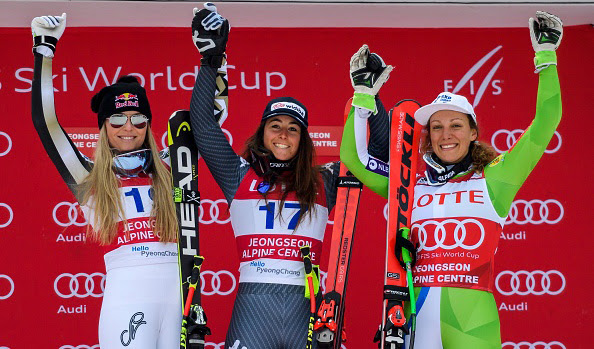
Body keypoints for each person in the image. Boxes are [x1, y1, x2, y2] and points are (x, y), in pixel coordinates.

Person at [340, 11, 563, 349]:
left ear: (473, 131)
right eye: (437, 126)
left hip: (473, 319)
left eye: (456, 125)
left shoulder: (496, 177)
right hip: (418, 311)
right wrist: (362, 96)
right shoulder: (410, 186)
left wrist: (546, 55)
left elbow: (546, 121)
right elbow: (353, 160)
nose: (446, 134)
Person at [187, 4, 392, 348]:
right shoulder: (237, 175)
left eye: (293, 129)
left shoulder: (323, 181)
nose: (283, 135)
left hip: (307, 307)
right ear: (262, 132)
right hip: (254, 307)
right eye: (276, 126)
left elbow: (379, 156)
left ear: (303, 139)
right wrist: (211, 60)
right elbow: (204, 127)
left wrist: (369, 98)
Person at [31, 14, 181, 348]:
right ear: (103, 126)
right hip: (128, 295)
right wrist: (44, 48)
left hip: (177, 293)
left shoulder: (171, 164)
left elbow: (212, 119)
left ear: (148, 124)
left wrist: (215, 59)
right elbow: (47, 125)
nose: (129, 127)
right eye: (117, 119)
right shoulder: (87, 174)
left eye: (138, 118)